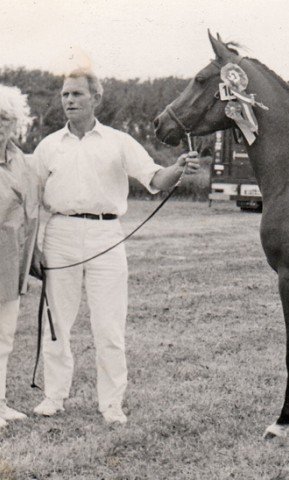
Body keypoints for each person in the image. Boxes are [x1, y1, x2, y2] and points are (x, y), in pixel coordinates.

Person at [31, 68, 200, 424]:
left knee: (108, 325)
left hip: (107, 235)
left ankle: (111, 404)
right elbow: (31, 198)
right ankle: (53, 396)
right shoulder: (48, 146)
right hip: (59, 233)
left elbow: (156, 178)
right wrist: (34, 248)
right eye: (65, 95)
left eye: (77, 94)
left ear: (97, 98)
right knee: (56, 323)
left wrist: (179, 167)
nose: (70, 101)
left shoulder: (118, 141)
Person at [0, 84, 40, 427]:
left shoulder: (21, 163)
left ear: (15, 123)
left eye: (4, 118)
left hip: (10, 262)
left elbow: (30, 215)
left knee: (4, 337)